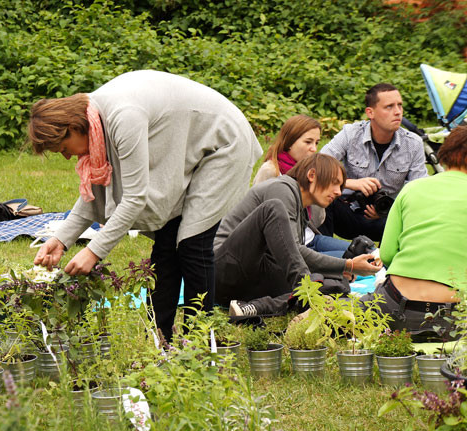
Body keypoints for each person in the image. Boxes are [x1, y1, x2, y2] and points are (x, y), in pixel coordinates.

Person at [28, 70, 262, 342]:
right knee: (165, 245)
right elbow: (96, 191)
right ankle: (160, 341)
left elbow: (136, 198)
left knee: (192, 244)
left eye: (63, 147)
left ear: (71, 126)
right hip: (186, 148)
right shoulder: (94, 121)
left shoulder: (122, 118)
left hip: (223, 144)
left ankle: (200, 344)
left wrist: (94, 251)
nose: (68, 156)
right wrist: (61, 240)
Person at [213, 153, 382, 317]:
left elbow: (292, 253)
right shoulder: (282, 189)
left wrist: (344, 269)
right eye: (335, 183)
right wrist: (348, 265)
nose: (338, 192)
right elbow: (295, 251)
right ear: (312, 174)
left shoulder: (301, 210)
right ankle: (306, 290)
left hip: (251, 280)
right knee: (272, 208)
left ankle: (258, 307)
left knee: (337, 283)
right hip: (225, 272)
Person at [360, 125, 467, 338]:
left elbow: (388, 254)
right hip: (455, 316)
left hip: (393, 306)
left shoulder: (412, 188)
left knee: (346, 308)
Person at [319, 83, 428, 241]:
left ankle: (388, 263)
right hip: (347, 211)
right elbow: (318, 166)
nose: (398, 112)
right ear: (370, 112)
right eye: (389, 107)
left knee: (418, 214)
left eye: (399, 105)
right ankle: (324, 255)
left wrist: (391, 211)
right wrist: (348, 183)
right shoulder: (351, 134)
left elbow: (420, 192)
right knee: (319, 195)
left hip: (388, 220)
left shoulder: (413, 143)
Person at [253, 114, 349, 258]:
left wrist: (317, 190)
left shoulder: (311, 172)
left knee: (370, 252)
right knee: (358, 261)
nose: (313, 149)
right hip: (290, 249)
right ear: (290, 142)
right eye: (308, 142)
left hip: (311, 238)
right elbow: (257, 219)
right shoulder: (271, 171)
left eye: (316, 143)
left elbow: (317, 220)